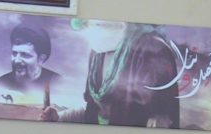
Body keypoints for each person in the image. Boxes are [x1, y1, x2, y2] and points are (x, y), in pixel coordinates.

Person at [42, 22, 179, 128]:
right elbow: (94, 107)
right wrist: (60, 117)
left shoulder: (152, 49)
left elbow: (161, 119)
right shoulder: (97, 52)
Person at [0, 25, 60, 96]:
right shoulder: (1, 83)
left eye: (25, 55)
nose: (17, 60)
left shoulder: (57, 83)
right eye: (14, 54)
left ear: (41, 59)